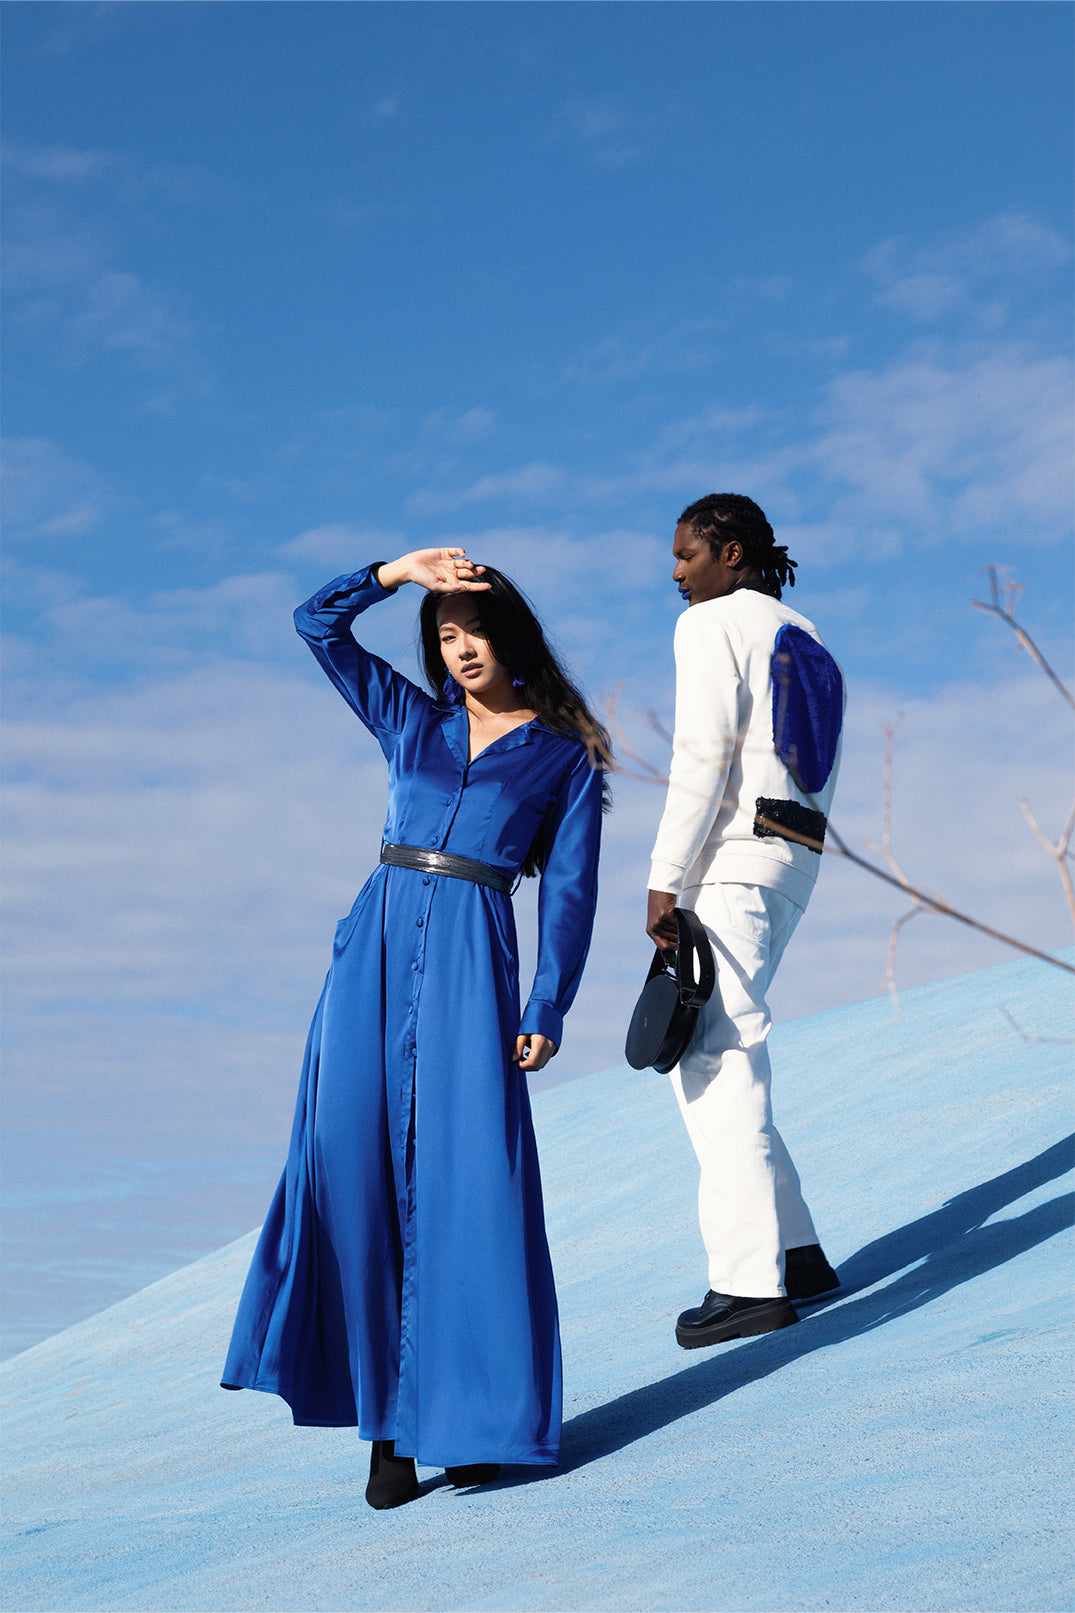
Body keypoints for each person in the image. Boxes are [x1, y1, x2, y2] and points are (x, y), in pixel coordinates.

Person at [222, 548, 608, 1509]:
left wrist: (547, 1003)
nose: (461, 647)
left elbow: (568, 889)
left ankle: (474, 1424)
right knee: (352, 1165)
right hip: (375, 951)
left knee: (467, 1182)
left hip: (477, 961)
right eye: (445, 634)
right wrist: (393, 572)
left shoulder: (565, 755)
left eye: (474, 630)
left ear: (511, 638)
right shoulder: (411, 720)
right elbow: (316, 624)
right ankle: (385, 1429)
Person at [646, 494, 844, 1349]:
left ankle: (747, 1282)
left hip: (733, 856)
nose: (677, 572)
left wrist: (663, 878)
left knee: (712, 1056)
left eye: (687, 554)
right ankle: (795, 1254)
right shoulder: (805, 631)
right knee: (730, 1041)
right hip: (795, 858)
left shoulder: (712, 623)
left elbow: (702, 749)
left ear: (729, 552)